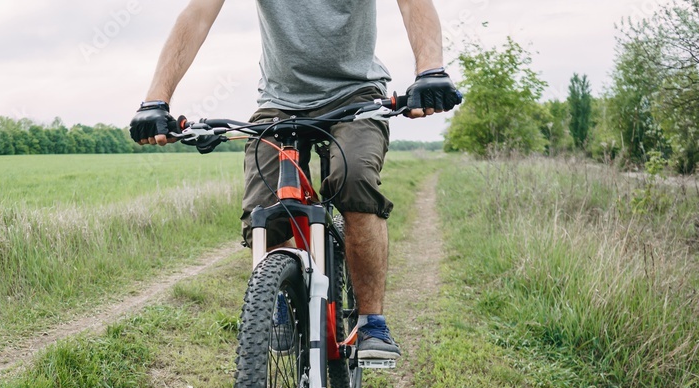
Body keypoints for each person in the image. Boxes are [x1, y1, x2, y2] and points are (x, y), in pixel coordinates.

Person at [130, 0, 461, 360]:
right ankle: (280, 300)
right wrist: (155, 100)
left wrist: (430, 70)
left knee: (355, 180)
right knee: (264, 214)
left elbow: (414, 4)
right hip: (279, 103)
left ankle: (371, 322)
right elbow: (197, 16)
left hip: (357, 95)